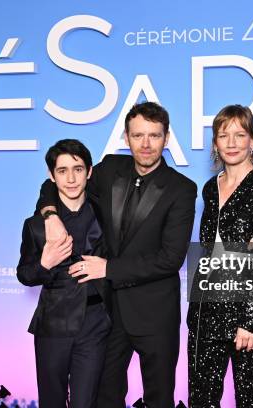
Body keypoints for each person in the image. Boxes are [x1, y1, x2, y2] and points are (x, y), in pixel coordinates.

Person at [37, 102, 197, 408]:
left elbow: (170, 258)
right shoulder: (109, 169)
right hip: (107, 315)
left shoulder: (182, 189)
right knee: (105, 398)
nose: (146, 144)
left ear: (166, 138)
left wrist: (108, 268)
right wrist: (50, 215)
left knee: (159, 398)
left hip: (155, 314)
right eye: (138, 135)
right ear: (126, 137)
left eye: (154, 135)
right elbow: (54, 184)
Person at [186, 105, 253, 407]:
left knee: (251, 402)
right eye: (223, 135)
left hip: (249, 318)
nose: (231, 143)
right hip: (207, 313)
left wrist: (252, 321)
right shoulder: (210, 188)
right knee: (201, 401)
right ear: (215, 143)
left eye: (239, 135)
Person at [17, 139, 111, 408]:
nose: (71, 178)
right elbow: (24, 274)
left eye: (78, 169)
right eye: (62, 171)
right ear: (51, 175)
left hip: (96, 324)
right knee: (52, 401)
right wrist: (44, 264)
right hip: (53, 325)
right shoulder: (36, 225)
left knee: (85, 402)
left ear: (89, 172)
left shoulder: (107, 214)